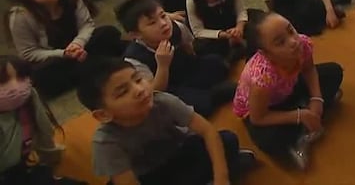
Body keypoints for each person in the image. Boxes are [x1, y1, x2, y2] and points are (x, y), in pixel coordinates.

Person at [77, 57, 256, 185]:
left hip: (181, 155)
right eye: (123, 92)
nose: (139, 90)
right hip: (151, 176)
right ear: (103, 115)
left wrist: (221, 177)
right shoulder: (106, 143)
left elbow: (207, 131)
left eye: (138, 79)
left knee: (227, 140)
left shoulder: (162, 101)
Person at [234, 11, 343, 170]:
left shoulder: (302, 43)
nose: (293, 41)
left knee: (334, 71)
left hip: (288, 89)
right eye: (280, 42)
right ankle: (300, 130)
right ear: (266, 53)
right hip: (265, 108)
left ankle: (305, 113)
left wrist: (316, 98)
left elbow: (309, 70)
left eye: (291, 30)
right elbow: (258, 118)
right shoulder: (262, 76)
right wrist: (300, 115)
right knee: (269, 139)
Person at [5, 0, 124, 99]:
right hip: (55, 58)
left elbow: (86, 25)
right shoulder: (20, 16)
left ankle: (87, 69)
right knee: (39, 76)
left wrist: (78, 44)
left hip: (82, 47)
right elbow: (28, 52)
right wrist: (63, 54)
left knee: (108, 32)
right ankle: (95, 66)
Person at [116, 0, 235, 118]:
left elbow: (190, 50)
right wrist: (163, 65)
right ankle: (213, 95)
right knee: (182, 103)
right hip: (170, 88)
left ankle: (207, 92)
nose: (163, 24)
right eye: (152, 23)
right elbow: (154, 93)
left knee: (216, 63)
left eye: (163, 16)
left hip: (187, 72)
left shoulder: (177, 27)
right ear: (136, 34)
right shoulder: (134, 59)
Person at [0, 56, 87, 185]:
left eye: (21, 77)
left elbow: (43, 129)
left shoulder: (30, 98)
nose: (15, 86)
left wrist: (50, 155)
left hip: (21, 168)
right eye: (3, 81)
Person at [179, 0, 254, 60]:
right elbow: (198, 31)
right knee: (204, 50)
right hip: (215, 35)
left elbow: (241, 11)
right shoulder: (191, 1)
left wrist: (239, 28)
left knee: (258, 24)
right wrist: (225, 35)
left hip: (235, 25)